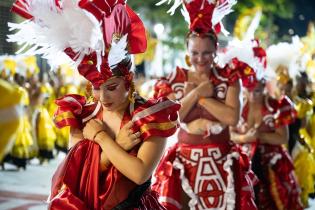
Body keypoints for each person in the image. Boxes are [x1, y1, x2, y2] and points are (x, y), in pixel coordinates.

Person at [9, 0, 180, 209]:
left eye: (111, 87)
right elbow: (75, 174)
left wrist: (102, 139)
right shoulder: (81, 115)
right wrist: (118, 148)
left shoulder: (151, 116)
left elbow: (139, 173)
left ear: (129, 79)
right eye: (96, 87)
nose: (103, 97)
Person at [152, 0, 257, 209]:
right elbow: (171, 119)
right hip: (184, 162)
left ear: (216, 48)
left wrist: (202, 99)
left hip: (223, 161)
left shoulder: (229, 77)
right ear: (187, 51)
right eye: (195, 53)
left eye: (207, 52)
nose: (201, 59)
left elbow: (232, 118)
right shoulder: (173, 78)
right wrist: (199, 93)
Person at [232, 78, 304, 210]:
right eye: (249, 90)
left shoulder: (276, 106)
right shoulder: (239, 106)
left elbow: (282, 138)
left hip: (273, 165)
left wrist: (259, 136)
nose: (253, 95)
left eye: (257, 90)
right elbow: (230, 134)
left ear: (264, 86)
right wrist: (245, 137)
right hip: (245, 165)